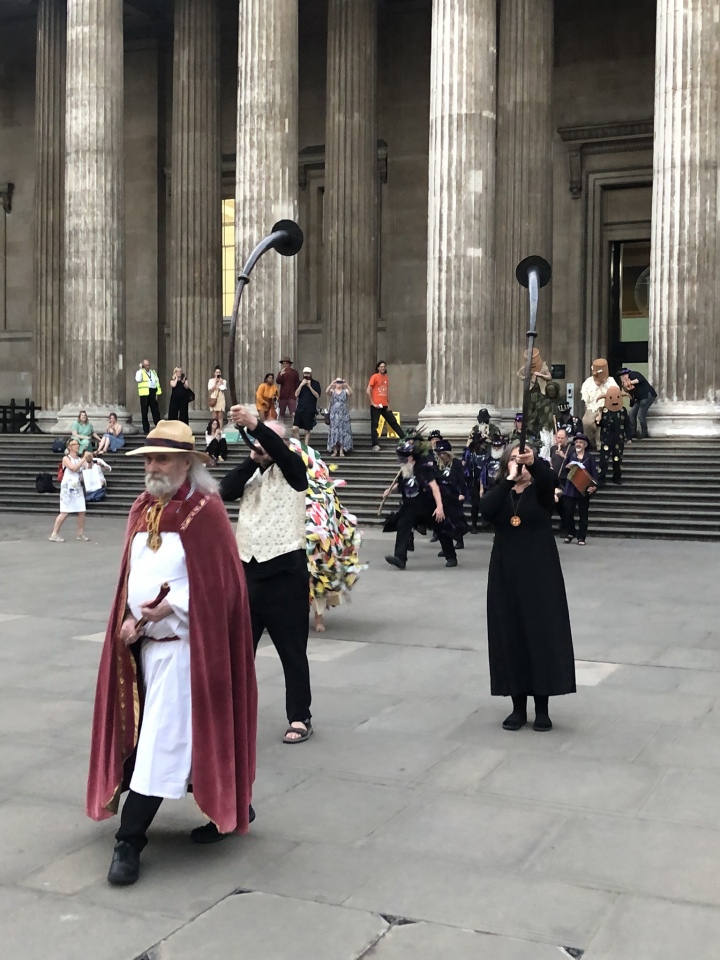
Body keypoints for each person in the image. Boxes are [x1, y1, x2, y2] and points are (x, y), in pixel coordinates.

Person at [86, 420, 257, 886]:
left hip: (187, 649)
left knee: (162, 741)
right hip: (143, 648)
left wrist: (172, 606)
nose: (152, 467)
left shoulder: (207, 511)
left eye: (162, 458)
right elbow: (131, 574)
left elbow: (223, 588)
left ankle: (130, 840)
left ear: (187, 462)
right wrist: (128, 617)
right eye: (148, 458)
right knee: (173, 735)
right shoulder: (142, 508)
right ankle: (234, 803)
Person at [221, 407, 313, 745]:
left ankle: (300, 715)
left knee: (292, 651)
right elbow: (223, 491)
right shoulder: (251, 473)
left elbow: (282, 455)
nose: (259, 445)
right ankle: (231, 713)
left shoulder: (294, 470)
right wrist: (251, 459)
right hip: (248, 572)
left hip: (286, 572)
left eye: (266, 441)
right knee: (240, 651)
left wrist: (257, 426)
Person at [478, 443, 576, 731]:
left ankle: (542, 708)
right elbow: (485, 512)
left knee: (540, 634)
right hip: (505, 573)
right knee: (510, 635)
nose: (520, 465)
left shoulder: (542, 491)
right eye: (515, 460)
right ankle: (517, 707)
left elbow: (549, 482)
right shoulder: (501, 491)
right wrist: (509, 478)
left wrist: (534, 464)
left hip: (540, 572)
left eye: (524, 460)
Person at [300, 446, 366, 632]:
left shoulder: (324, 491)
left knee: (316, 579)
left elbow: (335, 516)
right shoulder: (291, 487)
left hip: (320, 544)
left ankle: (318, 618)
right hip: (294, 541)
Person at [383, 436, 457, 570]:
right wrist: (389, 491)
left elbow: (435, 487)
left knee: (441, 529)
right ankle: (400, 558)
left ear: (411, 457)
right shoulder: (405, 470)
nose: (401, 460)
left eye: (404, 457)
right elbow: (403, 485)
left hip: (427, 505)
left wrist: (439, 507)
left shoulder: (423, 468)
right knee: (403, 526)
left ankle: (451, 556)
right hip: (410, 506)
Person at [560, 432, 598, 545]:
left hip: (583, 488)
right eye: (576, 442)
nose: (578, 444)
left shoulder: (590, 458)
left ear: (585, 445)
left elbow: (594, 474)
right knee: (567, 511)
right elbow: (565, 470)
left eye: (581, 442)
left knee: (583, 513)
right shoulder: (571, 455)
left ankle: (581, 537)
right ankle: (571, 532)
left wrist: (594, 486)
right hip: (570, 488)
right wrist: (568, 467)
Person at [49, 439, 89, 542]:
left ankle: (80, 533)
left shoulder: (79, 459)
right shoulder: (66, 458)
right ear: (69, 447)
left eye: (77, 444)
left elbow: (88, 467)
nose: (77, 446)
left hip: (77, 486)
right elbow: (73, 468)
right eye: (74, 444)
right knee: (65, 511)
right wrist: (83, 459)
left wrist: (89, 460)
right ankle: (54, 533)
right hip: (68, 487)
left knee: (81, 510)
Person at [434, 438, 468, 551]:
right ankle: (447, 547)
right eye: (440, 453)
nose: (442, 456)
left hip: (454, 493)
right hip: (443, 494)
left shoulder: (456, 463)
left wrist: (462, 493)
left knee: (456, 518)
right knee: (444, 521)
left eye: (444, 453)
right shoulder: (438, 464)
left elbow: (461, 479)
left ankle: (459, 539)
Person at [367, 361, 405, 451]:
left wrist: (388, 404)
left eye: (384, 366)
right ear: (378, 368)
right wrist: (372, 403)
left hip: (384, 405)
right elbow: (368, 390)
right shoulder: (374, 377)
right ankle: (375, 444)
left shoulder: (386, 378)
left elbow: (387, 392)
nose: (383, 368)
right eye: (381, 366)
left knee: (393, 421)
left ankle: (404, 438)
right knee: (375, 425)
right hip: (376, 406)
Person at [580, 359, 618, 450]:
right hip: (592, 407)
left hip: (608, 407)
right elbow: (586, 398)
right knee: (587, 422)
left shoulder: (611, 381)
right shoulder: (588, 382)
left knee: (603, 424)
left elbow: (615, 394)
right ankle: (591, 442)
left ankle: (600, 445)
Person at [598, 386, 631, 487]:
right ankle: (601, 479)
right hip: (606, 438)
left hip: (618, 438)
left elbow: (627, 424)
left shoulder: (623, 411)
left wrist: (629, 437)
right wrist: (598, 420)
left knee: (617, 459)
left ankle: (617, 477)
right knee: (604, 459)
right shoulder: (603, 411)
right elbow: (599, 424)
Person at [621, 367, 657, 439]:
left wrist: (629, 383)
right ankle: (633, 432)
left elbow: (640, 379)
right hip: (640, 398)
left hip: (647, 395)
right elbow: (632, 400)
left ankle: (644, 432)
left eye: (622, 376)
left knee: (640, 414)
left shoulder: (633, 374)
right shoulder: (633, 389)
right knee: (632, 413)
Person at [293, 366, 321, 445]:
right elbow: (296, 394)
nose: (306, 375)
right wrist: (301, 385)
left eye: (308, 373)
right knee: (294, 428)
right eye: (305, 373)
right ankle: (298, 445)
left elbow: (317, 396)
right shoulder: (299, 383)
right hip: (300, 408)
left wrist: (310, 387)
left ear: (311, 374)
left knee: (307, 430)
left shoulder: (315, 383)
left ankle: (306, 447)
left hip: (310, 409)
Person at [326, 377, 353, 457]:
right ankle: (334, 450)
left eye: (340, 382)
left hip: (343, 414)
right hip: (334, 414)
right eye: (337, 382)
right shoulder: (333, 391)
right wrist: (331, 384)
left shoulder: (345, 391)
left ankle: (341, 450)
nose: (339, 383)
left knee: (343, 432)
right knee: (334, 431)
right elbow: (327, 392)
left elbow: (351, 393)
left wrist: (347, 385)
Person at [136, 359, 162, 435]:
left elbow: (156, 382)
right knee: (144, 412)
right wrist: (140, 369)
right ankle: (146, 429)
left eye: (148, 365)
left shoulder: (153, 372)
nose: (148, 367)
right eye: (146, 365)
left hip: (152, 392)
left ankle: (158, 426)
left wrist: (157, 393)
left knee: (155, 411)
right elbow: (138, 379)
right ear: (143, 365)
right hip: (144, 394)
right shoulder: (140, 372)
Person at [277, 357, 301, 423]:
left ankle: (295, 426)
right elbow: (278, 381)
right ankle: (280, 428)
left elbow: (297, 383)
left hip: (292, 395)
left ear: (289, 364)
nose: (284, 365)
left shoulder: (294, 372)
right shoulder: (281, 373)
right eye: (283, 364)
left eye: (286, 363)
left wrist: (297, 393)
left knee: (293, 412)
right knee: (281, 413)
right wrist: (280, 375)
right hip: (283, 396)